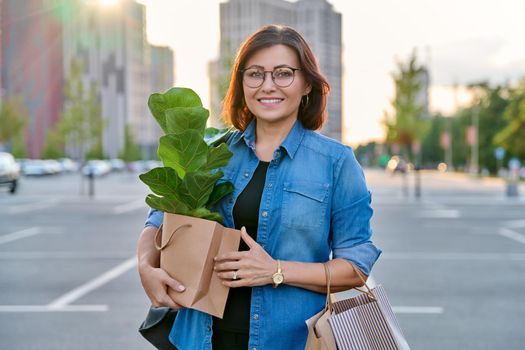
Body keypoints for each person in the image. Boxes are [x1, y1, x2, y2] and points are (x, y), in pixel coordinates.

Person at [137, 24, 381, 350]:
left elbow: (356, 267)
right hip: (201, 338)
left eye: (283, 74)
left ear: (307, 83)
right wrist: (145, 267)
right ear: (241, 83)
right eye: (255, 74)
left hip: (291, 340)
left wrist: (275, 271)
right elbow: (159, 219)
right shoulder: (213, 150)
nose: (268, 86)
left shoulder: (336, 163)